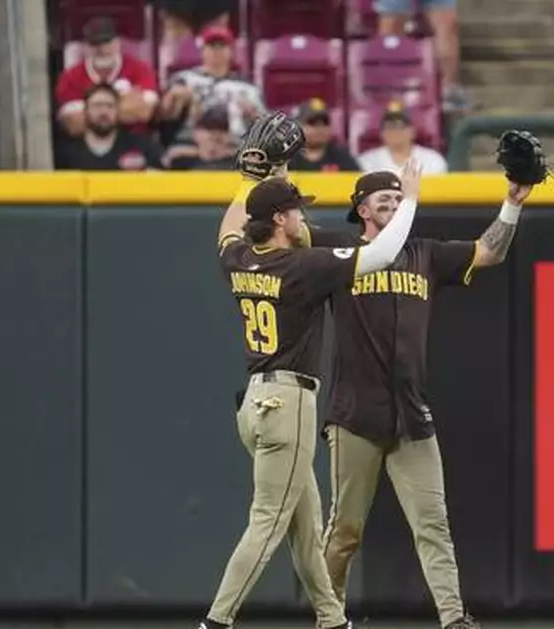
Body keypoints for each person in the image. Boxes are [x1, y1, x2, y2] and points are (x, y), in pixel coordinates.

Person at [202, 112, 427, 629]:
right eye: (297, 211)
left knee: (305, 526)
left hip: (256, 405)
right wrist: (410, 198)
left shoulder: (240, 258)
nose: (304, 217)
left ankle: (331, 620)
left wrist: (254, 181)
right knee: (268, 523)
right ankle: (215, 622)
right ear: (281, 221)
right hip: (289, 404)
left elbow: (229, 227)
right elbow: (385, 251)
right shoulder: (304, 266)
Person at [301, 169, 533, 629]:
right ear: (361, 209)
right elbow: (289, 228)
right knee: (344, 532)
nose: (392, 202)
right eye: (382, 199)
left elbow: (489, 252)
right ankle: (328, 618)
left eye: (397, 196)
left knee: (434, 527)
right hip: (355, 415)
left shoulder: (424, 254)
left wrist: (513, 203)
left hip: (412, 416)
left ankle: (453, 618)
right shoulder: (340, 252)